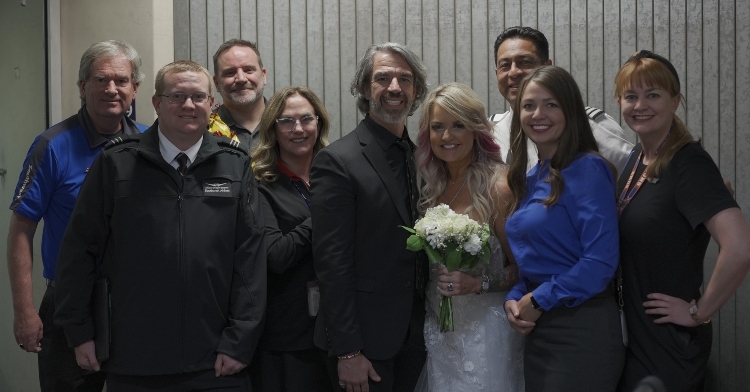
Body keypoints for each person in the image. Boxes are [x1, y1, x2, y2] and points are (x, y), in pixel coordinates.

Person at [53, 60, 266, 391]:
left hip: (217, 363)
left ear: (212, 105)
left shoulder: (235, 165)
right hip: (134, 359)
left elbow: (250, 260)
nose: (188, 105)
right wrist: (79, 332)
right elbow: (79, 252)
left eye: (198, 97)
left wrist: (240, 340)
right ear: (156, 103)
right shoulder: (116, 163)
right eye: (177, 96)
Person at [7, 40, 146, 392]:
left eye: (121, 80)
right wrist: (24, 311)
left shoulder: (151, 144)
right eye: (101, 79)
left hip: (134, 301)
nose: (111, 89)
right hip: (70, 303)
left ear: (136, 89)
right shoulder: (52, 145)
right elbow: (21, 230)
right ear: (83, 87)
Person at [614, 51, 750, 392]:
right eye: (631, 96)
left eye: (653, 95)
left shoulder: (689, 163)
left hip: (668, 344)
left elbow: (740, 248)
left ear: (676, 101)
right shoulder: (638, 158)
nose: (640, 105)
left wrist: (699, 312)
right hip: (634, 337)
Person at [310, 42, 428, 392]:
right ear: (365, 87)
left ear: (416, 91)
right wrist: (348, 352)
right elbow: (332, 263)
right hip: (364, 345)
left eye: (405, 79)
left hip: (419, 335)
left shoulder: (424, 157)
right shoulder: (338, 160)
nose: (395, 87)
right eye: (383, 78)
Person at [504, 65, 624, 391]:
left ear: (570, 110)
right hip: (539, 330)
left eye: (551, 104)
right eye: (529, 105)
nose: (538, 114)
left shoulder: (587, 169)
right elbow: (532, 261)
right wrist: (515, 299)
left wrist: (540, 300)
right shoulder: (529, 178)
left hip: (582, 328)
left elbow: (600, 262)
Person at [412, 83, 524, 391]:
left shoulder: (498, 187)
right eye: (438, 127)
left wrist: (480, 283)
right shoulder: (429, 186)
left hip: (485, 332)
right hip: (439, 329)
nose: (447, 137)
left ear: (476, 129)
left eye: (458, 125)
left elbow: (524, 269)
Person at [249, 86, 331, 391]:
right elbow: (276, 255)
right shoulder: (259, 184)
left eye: (306, 119)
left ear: (319, 124)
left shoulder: (335, 175)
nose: (298, 129)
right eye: (286, 121)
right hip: (287, 336)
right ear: (273, 129)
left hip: (336, 329)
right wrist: (324, 212)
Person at [490, 26, 633, 174]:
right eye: (505, 65)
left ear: (547, 67)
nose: (513, 72)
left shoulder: (589, 124)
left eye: (525, 62)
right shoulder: (489, 133)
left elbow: (634, 177)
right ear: (496, 73)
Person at [212, 38, 268, 150]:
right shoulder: (203, 129)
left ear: (263, 76)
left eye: (248, 70)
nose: (241, 79)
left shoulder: (287, 122)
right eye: (230, 72)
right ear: (217, 83)